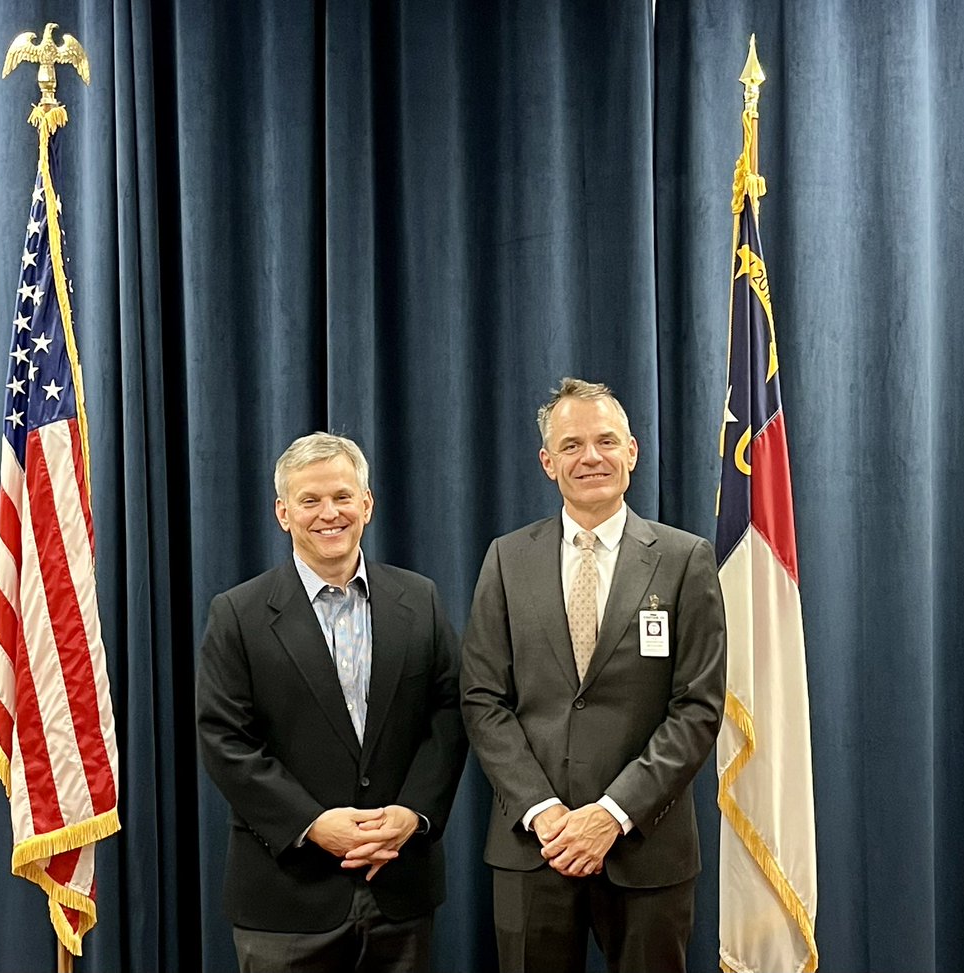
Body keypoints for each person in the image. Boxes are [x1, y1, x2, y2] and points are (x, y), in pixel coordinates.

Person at [461, 378, 726, 973]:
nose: (591, 457)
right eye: (572, 444)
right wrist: (544, 812)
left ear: (631, 451)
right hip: (535, 848)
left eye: (606, 440)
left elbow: (698, 707)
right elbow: (482, 700)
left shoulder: (686, 560)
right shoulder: (506, 559)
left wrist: (612, 813)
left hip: (646, 850)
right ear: (547, 461)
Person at [197, 432, 467, 973]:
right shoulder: (238, 614)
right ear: (283, 513)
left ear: (366, 504)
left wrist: (413, 814)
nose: (329, 514)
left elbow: (450, 715)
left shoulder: (420, 598)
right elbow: (225, 740)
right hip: (286, 898)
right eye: (310, 500)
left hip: (400, 888)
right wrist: (313, 823)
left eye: (343, 497)